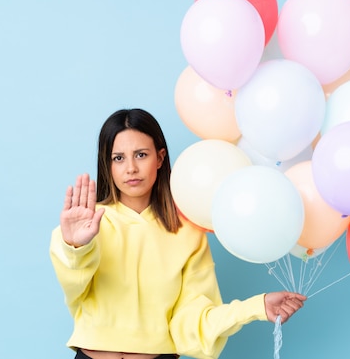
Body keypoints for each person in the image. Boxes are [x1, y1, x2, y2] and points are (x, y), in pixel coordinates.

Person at [50, 108, 306, 359]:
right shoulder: (85, 224)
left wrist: (256, 307)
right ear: (107, 163)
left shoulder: (187, 231)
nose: (130, 168)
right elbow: (73, 287)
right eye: (118, 158)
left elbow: (194, 322)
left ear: (160, 158)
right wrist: (75, 247)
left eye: (141, 155)